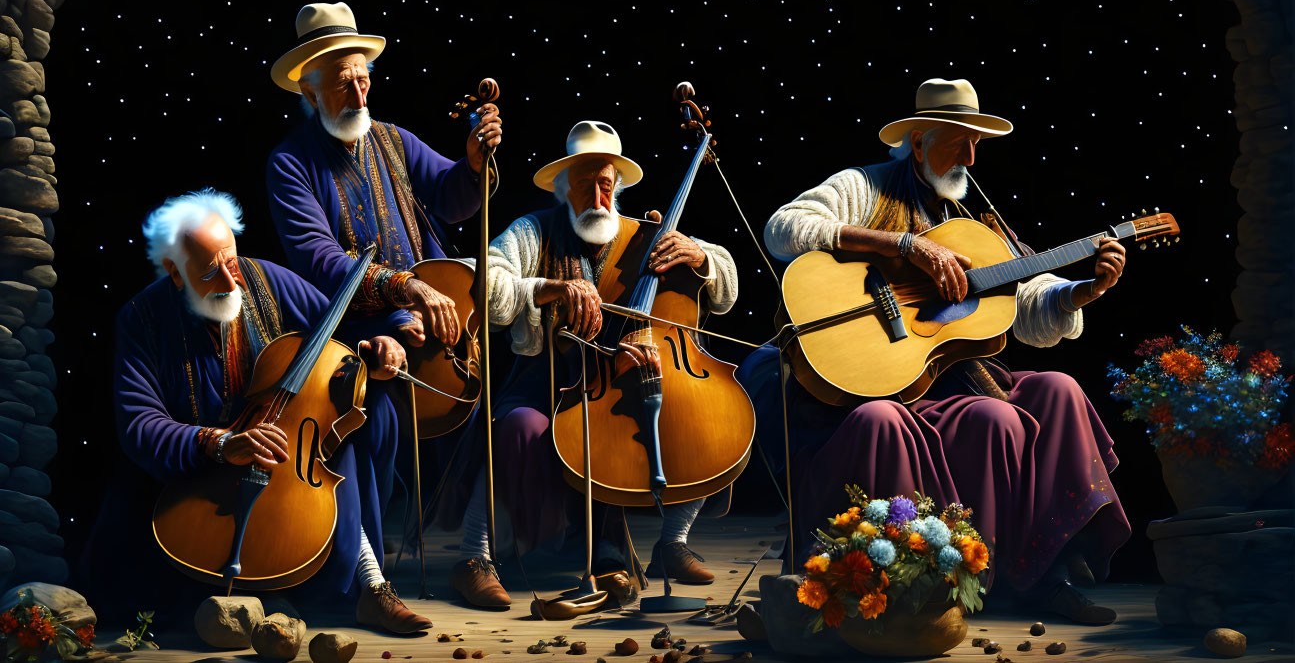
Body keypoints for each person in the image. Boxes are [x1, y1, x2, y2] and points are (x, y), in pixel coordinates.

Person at [749, 78, 1131, 624]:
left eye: (977, 143)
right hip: (874, 383)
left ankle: (1048, 571)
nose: (971, 157)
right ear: (919, 139)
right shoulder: (865, 186)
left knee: (1058, 389)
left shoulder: (981, 223)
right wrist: (902, 245)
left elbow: (1030, 305)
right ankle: (958, 579)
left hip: (952, 380)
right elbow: (785, 228)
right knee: (996, 418)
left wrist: (1079, 293)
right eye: (958, 140)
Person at [86, 188, 432, 633]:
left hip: (288, 460)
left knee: (354, 426)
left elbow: (342, 323)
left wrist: (389, 336)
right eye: (212, 273)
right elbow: (138, 424)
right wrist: (221, 443)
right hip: (200, 473)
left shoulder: (264, 279)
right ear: (175, 272)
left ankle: (370, 585)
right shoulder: (141, 319)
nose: (233, 284)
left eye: (232, 262)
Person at [448, 121, 741, 608]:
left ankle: (672, 543)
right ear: (564, 188)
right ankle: (473, 556)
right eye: (585, 184)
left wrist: (702, 256)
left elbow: (727, 290)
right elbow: (489, 287)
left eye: (606, 184)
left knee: (706, 421)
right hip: (550, 382)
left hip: (628, 383)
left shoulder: (649, 234)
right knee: (516, 426)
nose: (598, 195)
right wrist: (545, 287)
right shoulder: (534, 229)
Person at [265, 1, 503, 553]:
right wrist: (405, 290)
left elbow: (451, 196)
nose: (359, 95)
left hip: (422, 318)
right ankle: (365, 566)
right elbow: (318, 260)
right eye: (343, 84)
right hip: (350, 332)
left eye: (364, 80)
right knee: (368, 423)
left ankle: (476, 553)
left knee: (481, 402)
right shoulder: (289, 162)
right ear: (309, 90)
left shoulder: (393, 140)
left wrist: (471, 162)